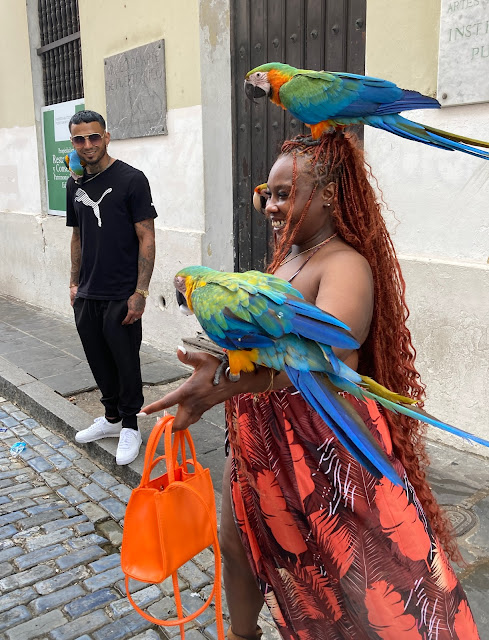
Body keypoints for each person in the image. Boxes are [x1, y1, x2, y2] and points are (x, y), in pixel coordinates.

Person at [141, 132, 479, 638]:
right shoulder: (287, 260)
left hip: (324, 448)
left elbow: (330, 353)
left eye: (285, 193)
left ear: (327, 196)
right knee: (238, 543)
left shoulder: (345, 264)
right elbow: (266, 347)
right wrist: (217, 369)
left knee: (360, 578)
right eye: (268, 194)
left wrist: (224, 389)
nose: (272, 206)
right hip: (261, 440)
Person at [66, 109, 156, 466]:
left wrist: (141, 292)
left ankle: (131, 425)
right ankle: (111, 418)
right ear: (73, 143)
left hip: (122, 291)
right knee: (98, 359)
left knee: (125, 360)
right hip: (88, 291)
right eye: (79, 139)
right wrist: (73, 282)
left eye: (93, 136)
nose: (87, 144)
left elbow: (146, 236)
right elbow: (77, 236)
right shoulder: (74, 184)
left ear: (106, 136)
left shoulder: (132, 179)